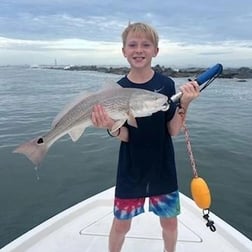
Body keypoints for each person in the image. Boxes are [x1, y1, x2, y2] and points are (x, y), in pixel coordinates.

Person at [91, 22, 200, 252]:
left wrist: (185, 104)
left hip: (163, 168)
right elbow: (126, 135)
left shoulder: (166, 84)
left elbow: (172, 130)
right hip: (131, 170)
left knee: (169, 223)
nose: (139, 50)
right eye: (132, 45)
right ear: (124, 51)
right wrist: (110, 125)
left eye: (145, 45)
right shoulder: (116, 90)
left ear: (155, 51)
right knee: (121, 225)